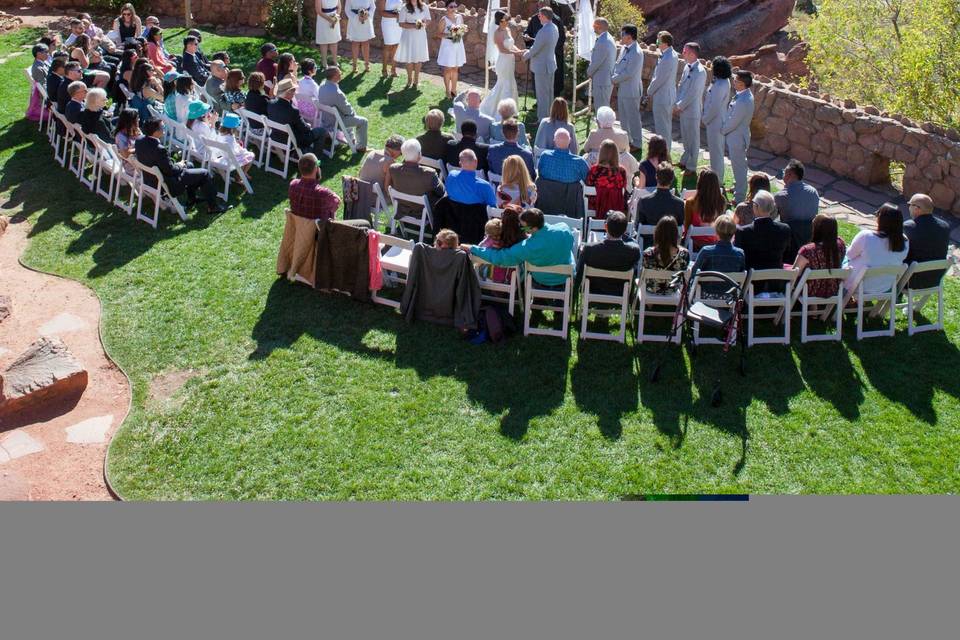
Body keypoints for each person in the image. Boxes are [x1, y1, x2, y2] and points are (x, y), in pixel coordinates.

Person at [464, 207, 576, 288]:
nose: (522, 230)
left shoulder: (526, 247)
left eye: (523, 228)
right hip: (566, 278)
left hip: (541, 280)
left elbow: (500, 257)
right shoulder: (564, 229)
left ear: (533, 229)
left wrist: (473, 248)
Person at [135, 119, 229, 213]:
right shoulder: (159, 149)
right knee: (205, 173)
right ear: (156, 132)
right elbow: (170, 170)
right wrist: (180, 165)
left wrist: (180, 165)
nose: (164, 129)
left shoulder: (139, 140)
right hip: (168, 183)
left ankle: (192, 198)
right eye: (163, 127)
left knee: (190, 165)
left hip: (152, 179)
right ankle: (213, 207)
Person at [845, 204, 910, 294]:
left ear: (881, 218)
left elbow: (849, 255)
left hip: (858, 285)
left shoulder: (866, 236)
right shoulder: (905, 241)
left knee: (843, 257)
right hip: (883, 287)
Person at [576, 211, 641, 295]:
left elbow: (579, 275)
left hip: (593, 291)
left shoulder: (589, 249)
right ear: (625, 230)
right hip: (620, 292)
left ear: (605, 227)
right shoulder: (633, 251)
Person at [268, 77, 330, 156]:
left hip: (277, 137)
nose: (295, 92)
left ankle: (302, 154)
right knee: (321, 131)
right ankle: (314, 160)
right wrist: (308, 126)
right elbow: (304, 129)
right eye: (293, 90)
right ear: (288, 93)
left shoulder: (271, 104)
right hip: (294, 140)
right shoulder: (293, 110)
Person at [734, 190, 791, 273]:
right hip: (776, 280)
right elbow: (786, 256)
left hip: (750, 281)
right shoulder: (784, 229)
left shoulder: (743, 232)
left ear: (756, 207)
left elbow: (739, 258)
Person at [792, 213, 847, 299]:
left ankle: (813, 306)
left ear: (817, 229)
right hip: (832, 290)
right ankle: (815, 307)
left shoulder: (807, 251)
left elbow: (794, 274)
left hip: (809, 292)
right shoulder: (841, 244)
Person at [388, 138, 446, 219]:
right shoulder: (429, 173)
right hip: (422, 211)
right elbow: (442, 192)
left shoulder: (393, 169)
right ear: (419, 155)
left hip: (402, 209)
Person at [479, 10, 522, 118]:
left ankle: (511, 109)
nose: (508, 21)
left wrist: (519, 50)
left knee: (510, 81)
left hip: (510, 60)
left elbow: (511, 45)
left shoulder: (507, 29)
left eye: (508, 19)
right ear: (500, 21)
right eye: (506, 19)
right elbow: (502, 50)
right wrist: (517, 53)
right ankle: (496, 110)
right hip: (503, 61)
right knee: (503, 84)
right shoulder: (497, 33)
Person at [317, 65, 369, 153]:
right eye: (339, 73)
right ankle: (361, 147)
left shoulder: (322, 85)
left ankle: (352, 140)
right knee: (363, 121)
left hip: (325, 118)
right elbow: (347, 109)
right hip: (336, 121)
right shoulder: (336, 92)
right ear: (334, 77)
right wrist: (353, 114)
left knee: (348, 116)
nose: (341, 74)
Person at [689, 214, 745, 296]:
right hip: (729, 298)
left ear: (716, 232)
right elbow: (740, 276)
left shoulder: (706, 251)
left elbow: (694, 275)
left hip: (706, 296)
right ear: (733, 233)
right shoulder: (740, 254)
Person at [903, 192, 950, 288]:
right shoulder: (945, 226)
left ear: (917, 208)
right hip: (934, 280)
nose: (908, 208)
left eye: (910, 205)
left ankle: (894, 296)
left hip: (910, 280)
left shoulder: (909, 226)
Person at [674, 42, 707, 176]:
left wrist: (679, 106)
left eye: (685, 51)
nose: (683, 53)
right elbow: (681, 86)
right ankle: (685, 160)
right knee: (686, 137)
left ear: (693, 54)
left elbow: (693, 93)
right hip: (683, 108)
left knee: (693, 139)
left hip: (692, 110)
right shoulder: (687, 67)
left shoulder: (700, 71)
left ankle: (692, 167)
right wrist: (677, 102)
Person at [723, 69, 755, 203]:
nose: (733, 82)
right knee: (737, 165)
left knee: (739, 167)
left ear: (742, 84)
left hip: (737, 138)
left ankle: (739, 196)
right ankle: (737, 187)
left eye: (736, 80)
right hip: (736, 136)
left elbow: (733, 121)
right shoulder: (742, 95)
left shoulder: (743, 101)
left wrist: (721, 130)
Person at [612, 24, 644, 151]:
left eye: (623, 34)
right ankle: (627, 140)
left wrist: (613, 79)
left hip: (631, 90)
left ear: (629, 37)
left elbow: (629, 73)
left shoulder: (637, 52)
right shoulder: (625, 48)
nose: (621, 36)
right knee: (624, 117)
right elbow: (618, 65)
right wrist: (614, 75)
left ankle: (637, 143)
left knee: (633, 118)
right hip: (623, 89)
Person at [523, 1, 566, 98]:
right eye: (539, 5)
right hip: (538, 57)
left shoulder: (556, 20)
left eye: (543, 5)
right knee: (539, 84)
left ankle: (552, 100)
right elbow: (528, 32)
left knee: (552, 85)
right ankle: (539, 99)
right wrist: (526, 36)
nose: (540, 7)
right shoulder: (535, 18)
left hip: (551, 54)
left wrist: (548, 47)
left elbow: (561, 38)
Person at [523, 7, 559, 122]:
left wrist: (525, 55)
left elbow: (535, 49)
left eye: (539, 16)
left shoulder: (544, 31)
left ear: (544, 16)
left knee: (542, 95)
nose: (538, 18)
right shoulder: (554, 27)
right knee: (549, 93)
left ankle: (542, 119)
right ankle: (550, 116)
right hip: (550, 64)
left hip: (542, 67)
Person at [637, 162, 685, 243]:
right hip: (670, 246)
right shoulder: (679, 204)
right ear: (672, 179)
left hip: (649, 245)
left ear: (656, 177)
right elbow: (680, 228)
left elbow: (638, 227)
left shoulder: (644, 201)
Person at [641, 217, 690, 293]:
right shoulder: (684, 254)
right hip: (672, 290)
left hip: (652, 290)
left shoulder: (648, 253)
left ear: (657, 233)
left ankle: (650, 304)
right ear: (675, 233)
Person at [289, 153, 341, 221]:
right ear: (316, 168)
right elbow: (337, 201)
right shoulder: (323, 193)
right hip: (318, 230)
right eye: (318, 163)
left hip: (298, 228)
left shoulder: (293, 185)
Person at [703, 56, 731, 181]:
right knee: (714, 150)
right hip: (715, 120)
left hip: (716, 122)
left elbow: (715, 106)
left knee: (717, 151)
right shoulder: (720, 81)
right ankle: (715, 174)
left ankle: (718, 179)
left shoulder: (721, 85)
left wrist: (705, 119)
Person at [647, 31, 678, 144]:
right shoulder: (670, 54)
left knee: (662, 128)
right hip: (666, 96)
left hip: (663, 97)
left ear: (664, 43)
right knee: (665, 126)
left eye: (658, 41)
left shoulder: (668, 57)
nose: (657, 43)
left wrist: (649, 91)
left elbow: (659, 78)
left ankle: (664, 155)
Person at [684, 169, 725, 251]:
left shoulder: (691, 203)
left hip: (694, 244)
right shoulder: (721, 201)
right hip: (715, 244)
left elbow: (687, 226)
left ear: (699, 184)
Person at [586, 140, 627, 218]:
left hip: (596, 205)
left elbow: (589, 185)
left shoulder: (595, 170)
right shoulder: (622, 171)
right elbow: (623, 188)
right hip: (616, 206)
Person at [396, 0, 431, 89]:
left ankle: (416, 80)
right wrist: (414, 26)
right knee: (409, 58)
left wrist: (424, 24)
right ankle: (409, 79)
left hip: (420, 36)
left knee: (418, 58)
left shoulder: (424, 7)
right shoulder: (405, 8)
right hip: (408, 36)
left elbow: (429, 20)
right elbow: (401, 23)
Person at [359, 134, 403, 200]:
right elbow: (387, 188)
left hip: (361, 195)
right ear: (395, 150)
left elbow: (360, 173)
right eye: (401, 152)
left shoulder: (372, 153)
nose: (400, 155)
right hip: (375, 200)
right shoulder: (390, 162)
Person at [436, 1, 466, 98]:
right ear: (447, 8)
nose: (453, 8)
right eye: (451, 6)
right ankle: (447, 91)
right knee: (448, 69)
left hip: (458, 45)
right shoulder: (443, 20)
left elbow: (462, 30)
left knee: (455, 69)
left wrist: (464, 30)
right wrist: (450, 35)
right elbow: (438, 34)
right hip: (448, 47)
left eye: (455, 6)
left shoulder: (460, 17)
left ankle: (454, 90)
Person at [775, 159, 820, 223]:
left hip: (789, 231)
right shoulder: (813, 191)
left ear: (790, 175)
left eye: (784, 172)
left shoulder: (780, 196)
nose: (783, 175)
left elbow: (772, 215)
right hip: (809, 231)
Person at [586, 17, 616, 110]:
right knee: (604, 107)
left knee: (601, 108)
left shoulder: (603, 41)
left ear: (599, 26)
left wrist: (589, 72)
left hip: (602, 81)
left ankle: (603, 125)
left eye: (594, 25)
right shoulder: (608, 37)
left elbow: (597, 62)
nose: (593, 27)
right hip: (605, 80)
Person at [346, 0, 376, 74]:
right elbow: (347, 9)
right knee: (355, 43)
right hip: (354, 22)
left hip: (366, 21)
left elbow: (373, 7)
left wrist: (367, 15)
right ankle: (354, 65)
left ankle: (366, 64)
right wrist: (357, 17)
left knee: (365, 43)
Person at [315, 0, 343, 68]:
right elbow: (318, 11)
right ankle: (324, 62)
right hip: (323, 19)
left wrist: (336, 17)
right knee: (324, 41)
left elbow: (339, 7)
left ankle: (335, 61)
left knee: (334, 41)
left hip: (334, 19)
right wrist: (329, 19)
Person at [114, 108, 141, 175]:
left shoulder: (136, 130)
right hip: (131, 166)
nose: (139, 120)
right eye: (137, 119)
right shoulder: (121, 136)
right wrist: (139, 148)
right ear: (131, 121)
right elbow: (125, 154)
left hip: (139, 160)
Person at [26, 43, 49, 122]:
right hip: (47, 95)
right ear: (39, 54)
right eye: (46, 52)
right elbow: (43, 87)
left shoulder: (42, 62)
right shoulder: (38, 68)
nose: (48, 54)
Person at [381, 0, 403, 78]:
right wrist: (395, 15)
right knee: (388, 46)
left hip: (398, 25)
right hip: (388, 23)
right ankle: (384, 69)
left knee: (396, 47)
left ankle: (393, 70)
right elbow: (381, 12)